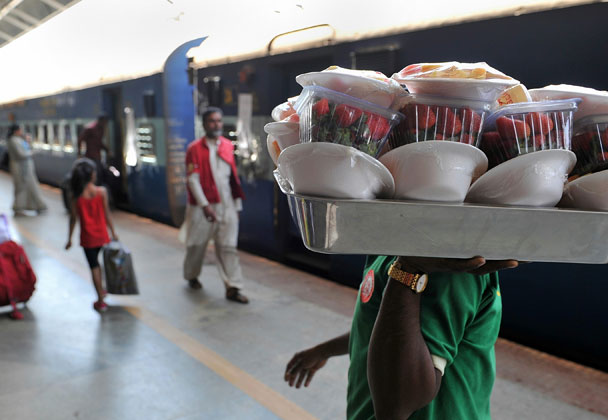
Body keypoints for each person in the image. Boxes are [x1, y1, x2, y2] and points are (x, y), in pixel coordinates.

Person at [284, 255, 519, 420]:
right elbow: (382, 328)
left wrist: (407, 272)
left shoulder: (448, 267)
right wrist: (325, 350)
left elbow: (397, 405)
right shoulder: (391, 251)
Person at [183, 107, 248, 304]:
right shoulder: (194, 148)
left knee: (228, 247)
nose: (216, 124)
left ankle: (233, 287)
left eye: (219, 121)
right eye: (212, 121)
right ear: (204, 125)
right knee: (196, 246)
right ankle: (191, 275)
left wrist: (237, 207)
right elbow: (192, 180)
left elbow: (233, 180)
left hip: (226, 204)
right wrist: (204, 206)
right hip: (202, 206)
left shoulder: (227, 146)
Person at [64, 159, 118, 312]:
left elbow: (73, 219)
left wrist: (69, 239)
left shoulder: (76, 197)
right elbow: (107, 215)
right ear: (92, 176)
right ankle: (103, 289)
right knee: (102, 264)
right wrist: (113, 233)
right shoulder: (102, 192)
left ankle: (100, 300)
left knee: (94, 266)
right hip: (102, 236)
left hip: (88, 239)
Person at [7, 124, 47, 215]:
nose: (21, 132)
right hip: (19, 168)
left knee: (31, 186)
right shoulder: (13, 141)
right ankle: (19, 207)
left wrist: (27, 142)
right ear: (16, 131)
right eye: (20, 130)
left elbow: (26, 149)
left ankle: (37, 206)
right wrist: (31, 153)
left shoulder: (19, 140)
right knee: (21, 188)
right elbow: (21, 154)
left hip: (26, 167)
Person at [77, 115, 109, 185]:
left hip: (97, 156)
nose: (105, 124)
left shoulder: (101, 129)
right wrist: (79, 154)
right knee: (95, 174)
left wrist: (107, 150)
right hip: (90, 156)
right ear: (101, 121)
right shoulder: (90, 128)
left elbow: (99, 142)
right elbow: (80, 140)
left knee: (101, 173)